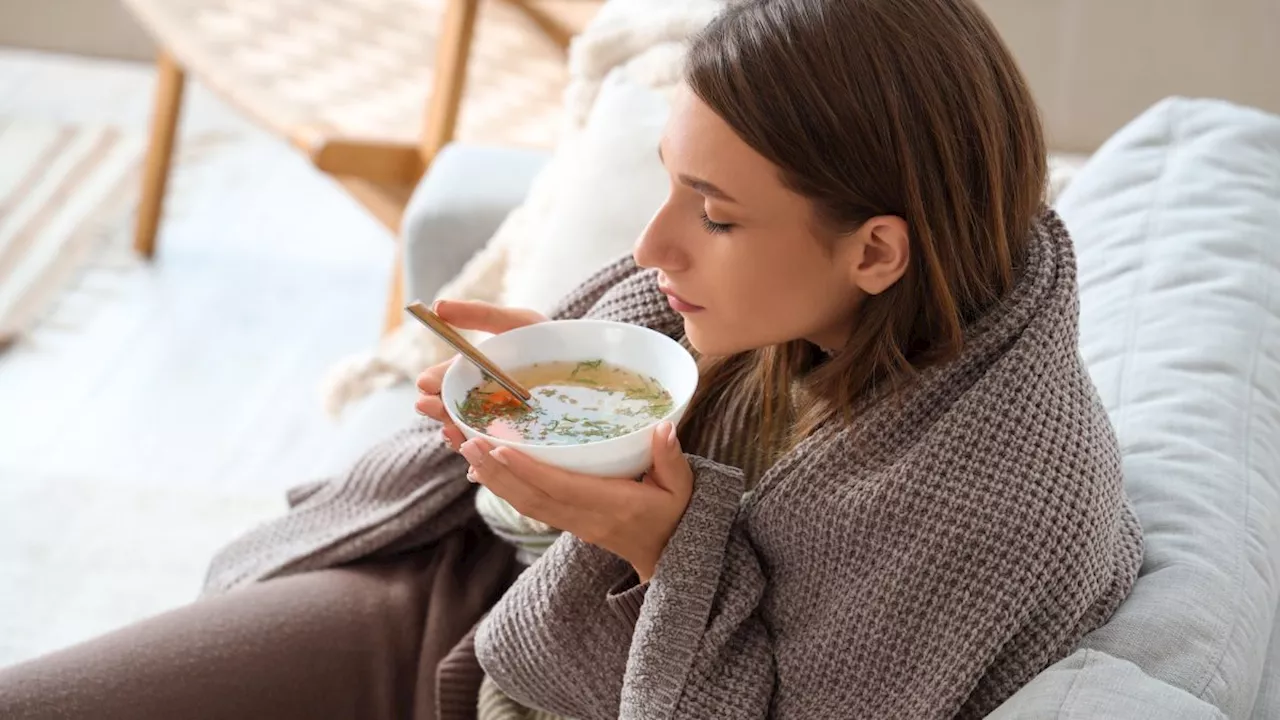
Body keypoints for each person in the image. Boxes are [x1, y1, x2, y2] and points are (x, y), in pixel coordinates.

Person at [0, 0, 1143, 718]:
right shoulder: (759, 317)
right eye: (666, 181)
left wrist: (665, 549)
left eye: (714, 214)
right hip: (470, 603)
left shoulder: (987, 501)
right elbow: (548, 502)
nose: (651, 247)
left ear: (877, 250)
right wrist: (521, 418)